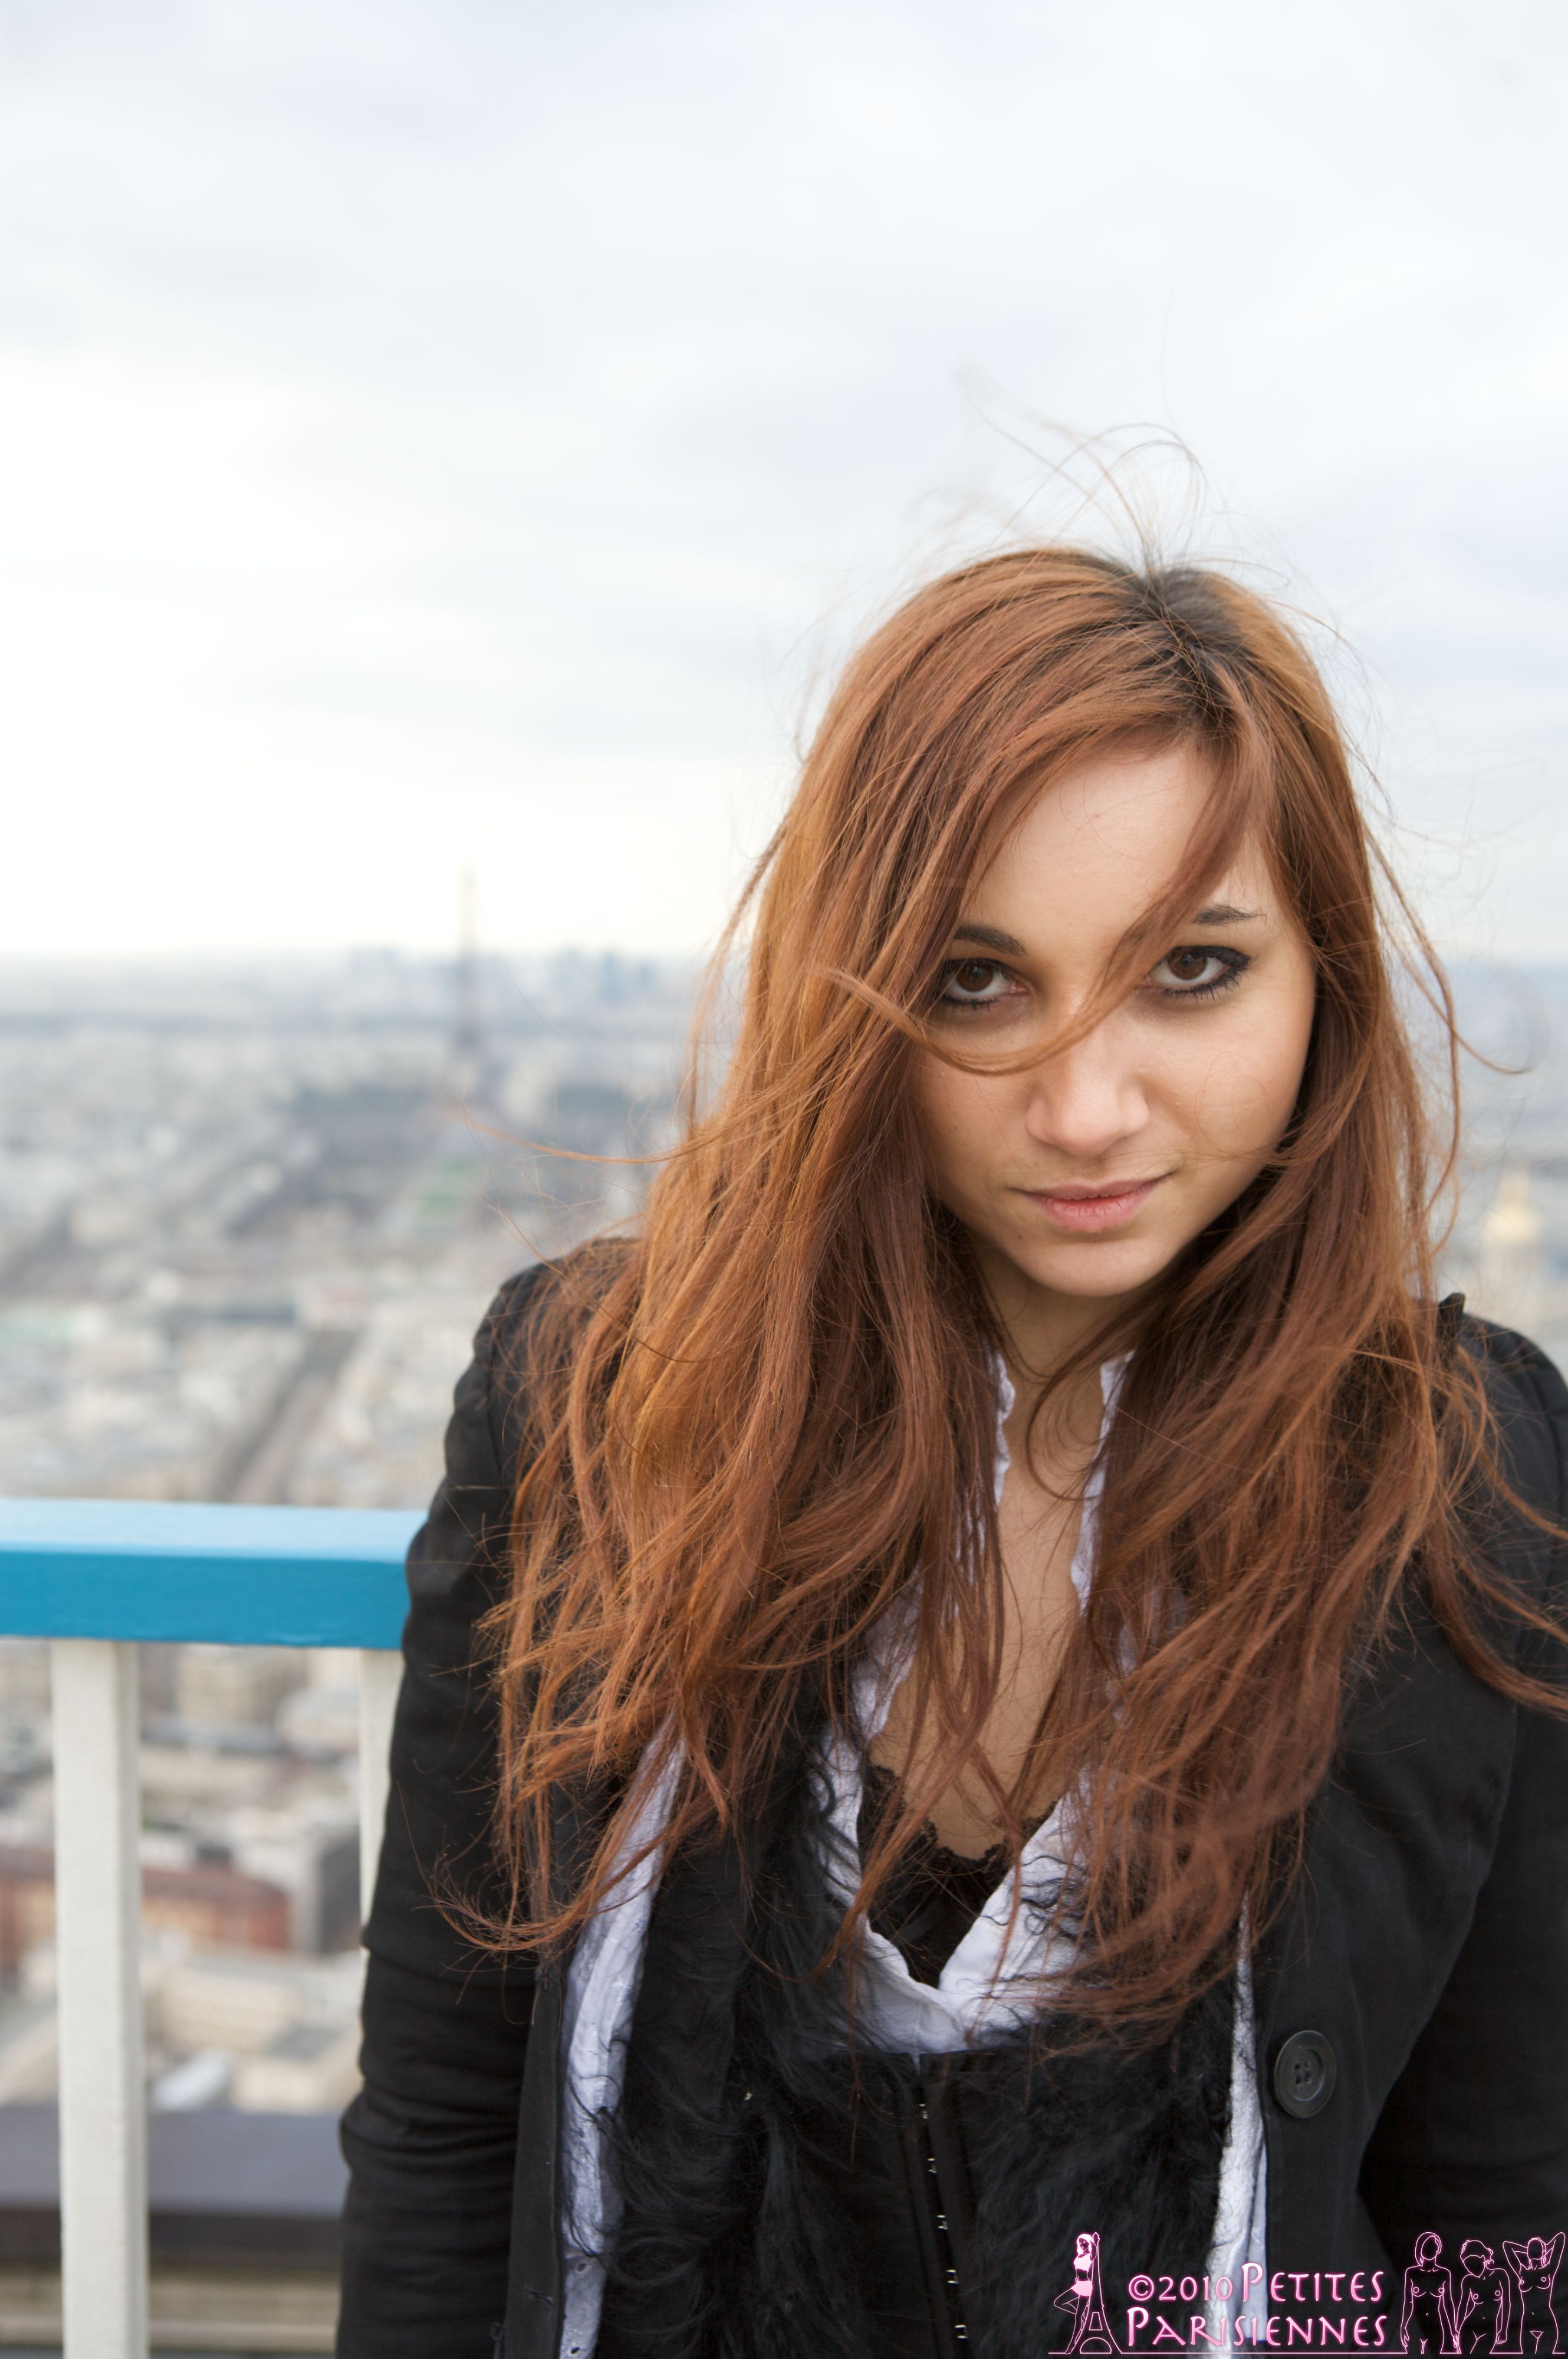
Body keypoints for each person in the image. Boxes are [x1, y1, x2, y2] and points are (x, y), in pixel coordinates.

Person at [336, 549, 1568, 2359]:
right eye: (975, 981)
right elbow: (450, 2119)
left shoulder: (1461, 1482)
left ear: (1323, 979)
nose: (1084, 1108)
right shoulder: (597, 1407)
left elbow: (1503, 2212)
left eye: (1192, 971)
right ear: (853, 997)